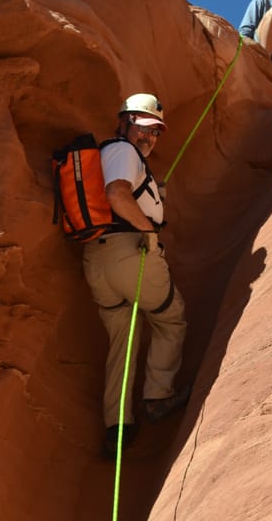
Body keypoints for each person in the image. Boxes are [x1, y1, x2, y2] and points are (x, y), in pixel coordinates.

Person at [82, 93, 191, 457]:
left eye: (155, 132)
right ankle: (158, 396)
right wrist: (148, 230)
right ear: (125, 121)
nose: (149, 138)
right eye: (143, 129)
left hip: (97, 260)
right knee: (170, 317)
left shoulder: (117, 155)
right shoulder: (122, 152)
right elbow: (116, 194)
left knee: (124, 336)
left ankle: (118, 426)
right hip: (129, 251)